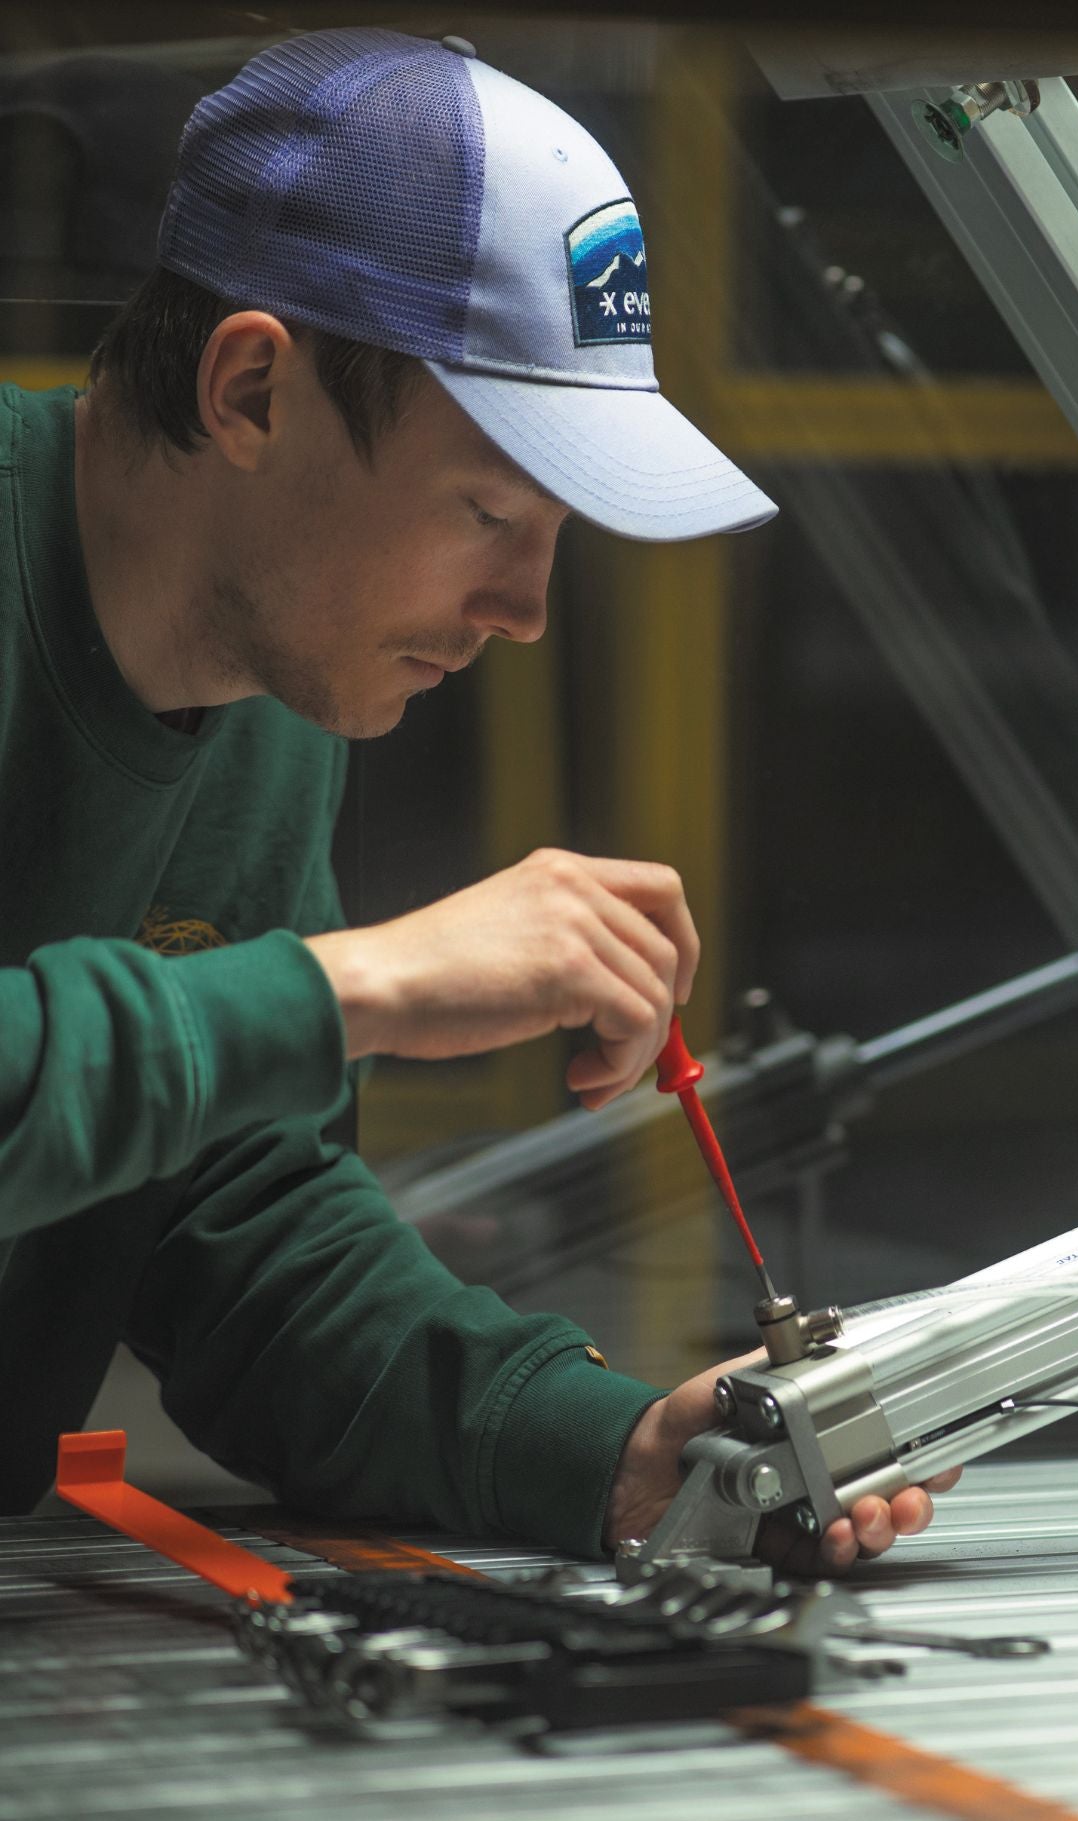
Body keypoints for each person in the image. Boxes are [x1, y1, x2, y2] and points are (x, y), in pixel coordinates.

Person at [0, 27, 957, 1562]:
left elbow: (234, 1233)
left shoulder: (269, 695)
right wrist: (354, 987)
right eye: (489, 510)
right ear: (250, 390)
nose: (522, 608)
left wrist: (613, 1455)